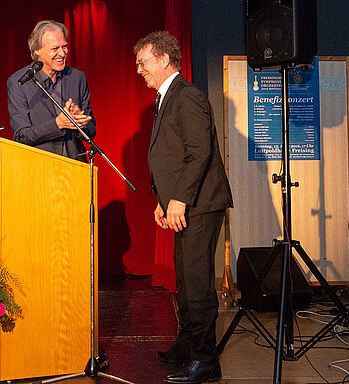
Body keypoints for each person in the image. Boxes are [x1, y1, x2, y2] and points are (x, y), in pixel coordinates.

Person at [134, 31, 233, 383]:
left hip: (200, 204)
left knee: (198, 283)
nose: (139, 69)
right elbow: (169, 155)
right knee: (186, 282)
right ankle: (189, 345)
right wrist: (164, 200)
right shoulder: (166, 97)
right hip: (182, 204)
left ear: (163, 59)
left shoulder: (187, 95)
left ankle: (206, 361)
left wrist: (179, 198)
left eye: (143, 62)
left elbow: (199, 152)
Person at [7, 20, 96, 162]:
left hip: (76, 167)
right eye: (55, 48)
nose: (62, 53)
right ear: (37, 50)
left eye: (64, 46)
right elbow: (21, 136)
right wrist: (58, 124)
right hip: (40, 168)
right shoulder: (20, 82)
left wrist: (81, 124)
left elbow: (92, 130)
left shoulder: (77, 78)